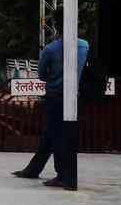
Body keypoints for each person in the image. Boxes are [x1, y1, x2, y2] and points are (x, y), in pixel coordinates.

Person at [11, 18, 89, 188]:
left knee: (56, 135)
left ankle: (62, 175)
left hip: (55, 96)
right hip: (74, 96)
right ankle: (32, 170)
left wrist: (54, 78)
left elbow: (41, 74)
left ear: (57, 30)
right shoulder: (84, 46)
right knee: (51, 133)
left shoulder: (50, 49)